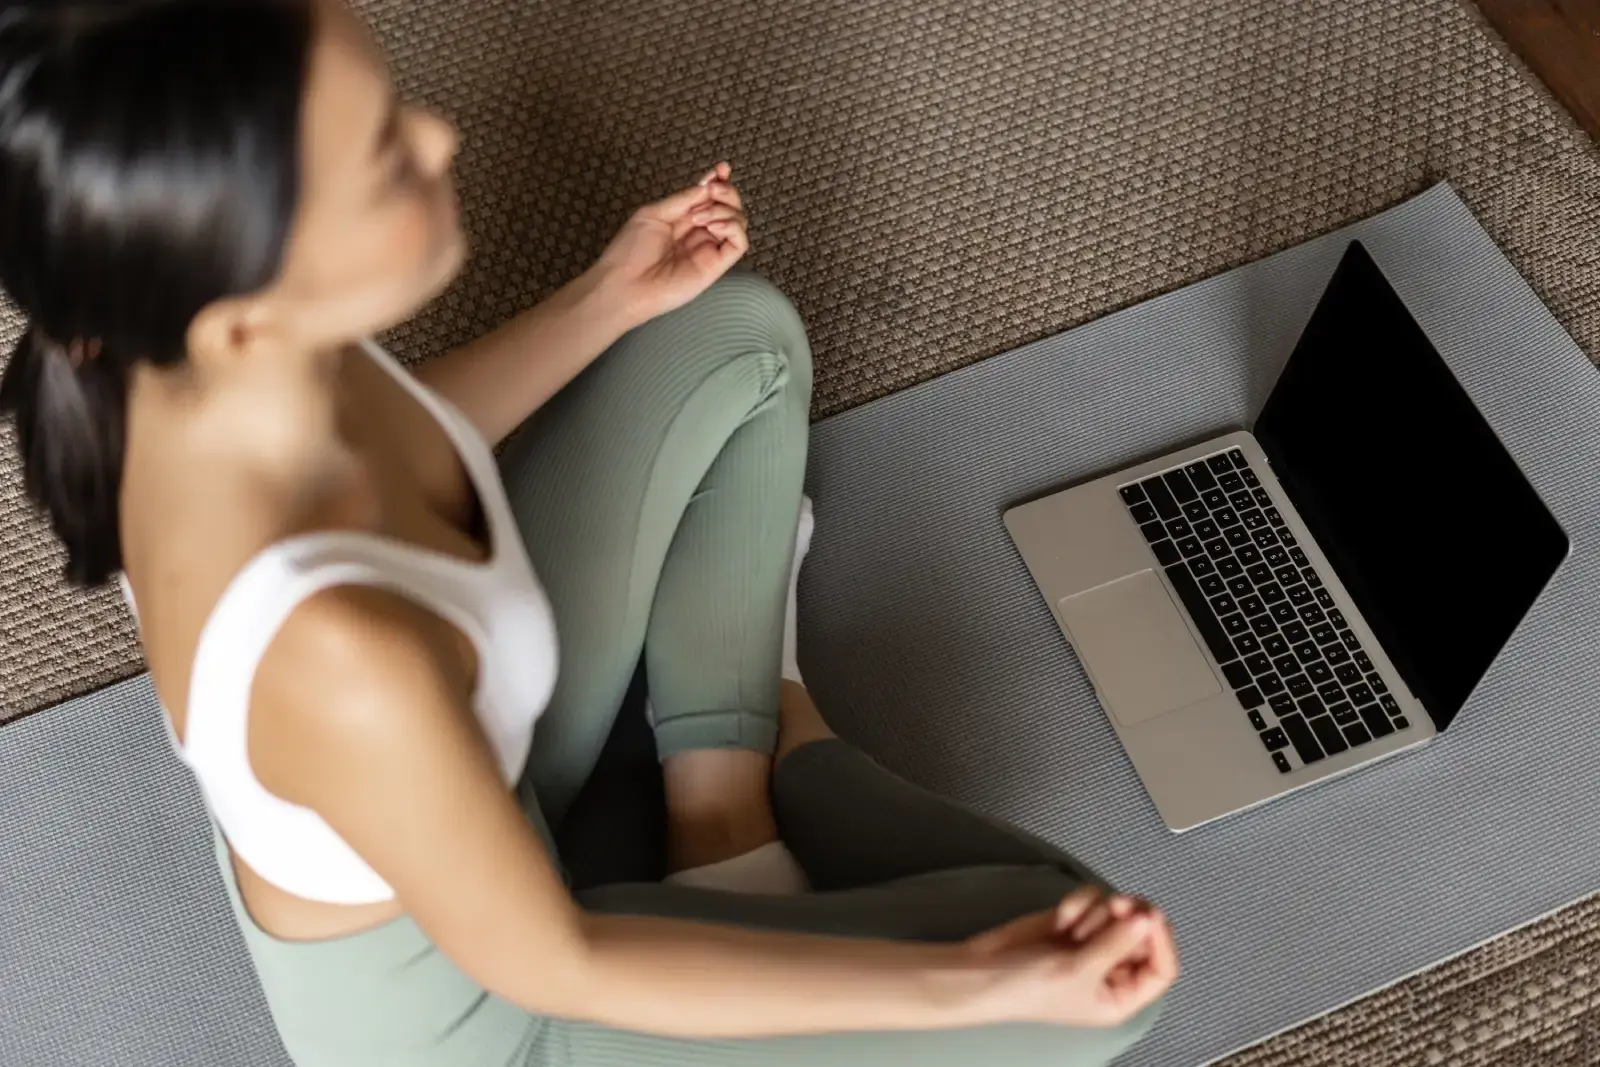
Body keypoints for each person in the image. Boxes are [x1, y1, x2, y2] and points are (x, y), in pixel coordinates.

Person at [0, 2, 1178, 1065]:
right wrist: (978, 981)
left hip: (471, 761)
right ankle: (770, 739)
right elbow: (557, 960)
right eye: (382, 159)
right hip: (502, 1007)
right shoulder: (341, 657)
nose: (440, 139)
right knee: (1093, 975)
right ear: (244, 303)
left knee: (735, 332)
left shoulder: (192, 351)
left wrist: (611, 295)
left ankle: (724, 808)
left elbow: (407, 442)